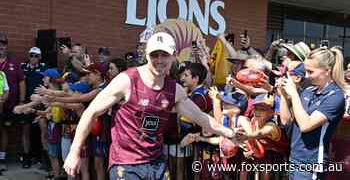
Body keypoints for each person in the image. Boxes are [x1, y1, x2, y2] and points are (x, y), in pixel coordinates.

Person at [63, 32, 243, 179]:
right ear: (147, 56)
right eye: (154, 55)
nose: (159, 60)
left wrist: (230, 133)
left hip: (156, 163)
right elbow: (91, 112)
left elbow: (201, 118)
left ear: (173, 56)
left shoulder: (175, 90)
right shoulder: (127, 80)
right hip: (125, 164)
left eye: (164, 55)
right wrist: (74, 151)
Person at [278, 47, 347, 180]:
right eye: (306, 71)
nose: (307, 76)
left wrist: (293, 94)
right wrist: (282, 95)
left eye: (311, 71)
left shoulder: (336, 96)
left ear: (327, 70)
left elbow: (305, 125)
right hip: (294, 158)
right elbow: (286, 122)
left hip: (311, 162)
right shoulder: (308, 91)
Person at [0, 32, 26, 171]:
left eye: (3, 43)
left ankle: (2, 159)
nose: (0, 46)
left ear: (7, 45)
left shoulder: (14, 63)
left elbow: (21, 81)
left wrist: (22, 101)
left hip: (9, 105)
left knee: (4, 131)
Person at [20, 46, 47, 168]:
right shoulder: (23, 67)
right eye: (31, 55)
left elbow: (47, 83)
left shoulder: (43, 67)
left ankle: (44, 157)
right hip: (26, 102)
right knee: (26, 129)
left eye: (36, 55)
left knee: (43, 129)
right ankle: (26, 156)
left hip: (40, 103)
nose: (33, 58)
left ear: (40, 57)